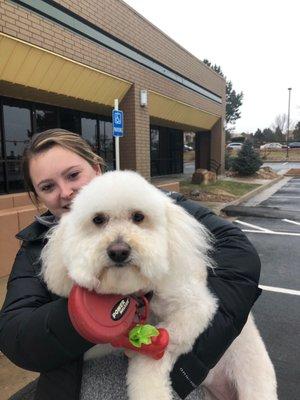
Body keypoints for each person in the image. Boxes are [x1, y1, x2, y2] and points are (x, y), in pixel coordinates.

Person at [0, 129, 261, 400]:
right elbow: (15, 336)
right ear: (38, 196)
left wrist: (180, 350)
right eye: (47, 187)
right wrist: (89, 315)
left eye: (73, 175)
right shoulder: (35, 248)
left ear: (96, 168)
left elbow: (239, 256)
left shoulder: (159, 206)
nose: (66, 192)